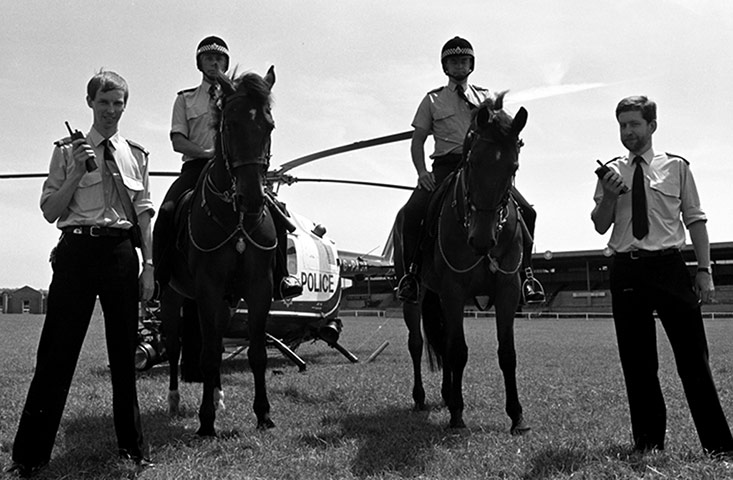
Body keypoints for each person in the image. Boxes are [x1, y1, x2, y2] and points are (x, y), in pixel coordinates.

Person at [7, 71, 154, 477]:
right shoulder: (65, 150)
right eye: (104, 102)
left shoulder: (137, 155)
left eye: (118, 103)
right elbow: (50, 210)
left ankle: (133, 448)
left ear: (125, 105)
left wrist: (150, 268)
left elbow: (143, 216)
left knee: (125, 354)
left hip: (121, 254)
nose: (111, 110)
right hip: (76, 251)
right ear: (90, 102)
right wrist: (75, 170)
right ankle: (31, 456)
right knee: (56, 354)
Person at [591, 95, 733, 456]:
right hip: (626, 268)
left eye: (635, 124)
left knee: (693, 361)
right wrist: (608, 196)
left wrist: (704, 270)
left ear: (652, 126)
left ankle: (719, 445)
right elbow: (599, 224)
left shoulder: (677, 168)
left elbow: (696, 221)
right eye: (623, 124)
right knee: (638, 365)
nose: (628, 131)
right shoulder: (610, 171)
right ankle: (648, 443)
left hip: (670, 268)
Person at [397, 36, 544, 304]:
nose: (459, 66)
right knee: (412, 212)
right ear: (446, 66)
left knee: (528, 212)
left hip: (483, 169)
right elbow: (417, 141)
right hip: (445, 166)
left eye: (464, 61)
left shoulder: (485, 97)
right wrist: (421, 173)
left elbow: (504, 130)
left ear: (471, 64)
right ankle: (411, 275)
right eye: (454, 62)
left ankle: (528, 276)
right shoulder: (432, 100)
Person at [153, 35, 301, 301]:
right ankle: (161, 276)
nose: (214, 63)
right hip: (197, 168)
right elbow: (178, 141)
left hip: (236, 169)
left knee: (276, 212)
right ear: (200, 63)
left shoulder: (239, 97)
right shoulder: (185, 99)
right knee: (166, 212)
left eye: (219, 59)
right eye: (209, 58)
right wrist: (209, 153)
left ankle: (281, 275)